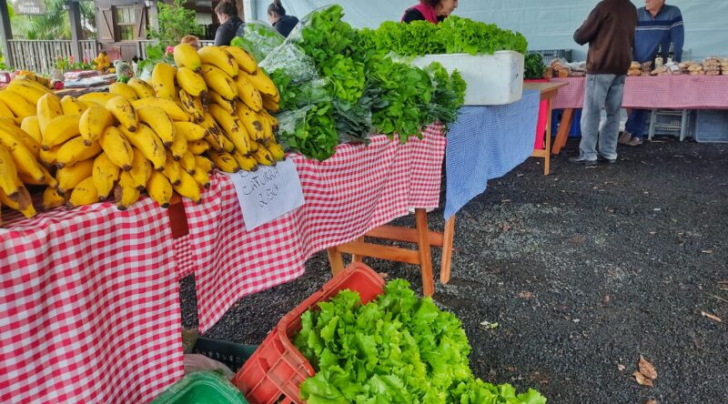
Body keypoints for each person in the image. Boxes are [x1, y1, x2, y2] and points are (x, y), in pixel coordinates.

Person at [570, 0, 637, 165]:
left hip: (601, 66)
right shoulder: (631, 8)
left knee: (592, 111)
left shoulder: (604, 6)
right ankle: (609, 152)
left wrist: (585, 23)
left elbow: (580, 36)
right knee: (613, 113)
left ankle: (588, 153)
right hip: (622, 66)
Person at [619, 0, 685, 147]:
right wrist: (629, 62)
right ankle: (635, 133)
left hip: (659, 66)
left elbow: (678, 39)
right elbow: (628, 39)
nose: (646, 0)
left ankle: (632, 130)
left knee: (643, 96)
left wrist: (675, 63)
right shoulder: (637, 13)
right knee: (635, 97)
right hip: (637, 66)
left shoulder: (673, 12)